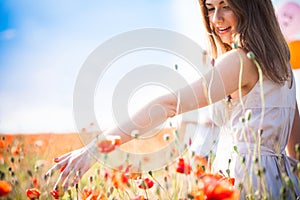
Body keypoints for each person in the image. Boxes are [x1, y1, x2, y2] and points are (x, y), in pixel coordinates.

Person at [47, 0, 300, 199]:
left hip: (243, 179)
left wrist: (95, 149)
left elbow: (167, 105)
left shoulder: (238, 61)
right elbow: (295, 142)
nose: (216, 19)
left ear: (250, 7)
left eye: (226, 6)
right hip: (280, 180)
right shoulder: (282, 64)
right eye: (210, 8)